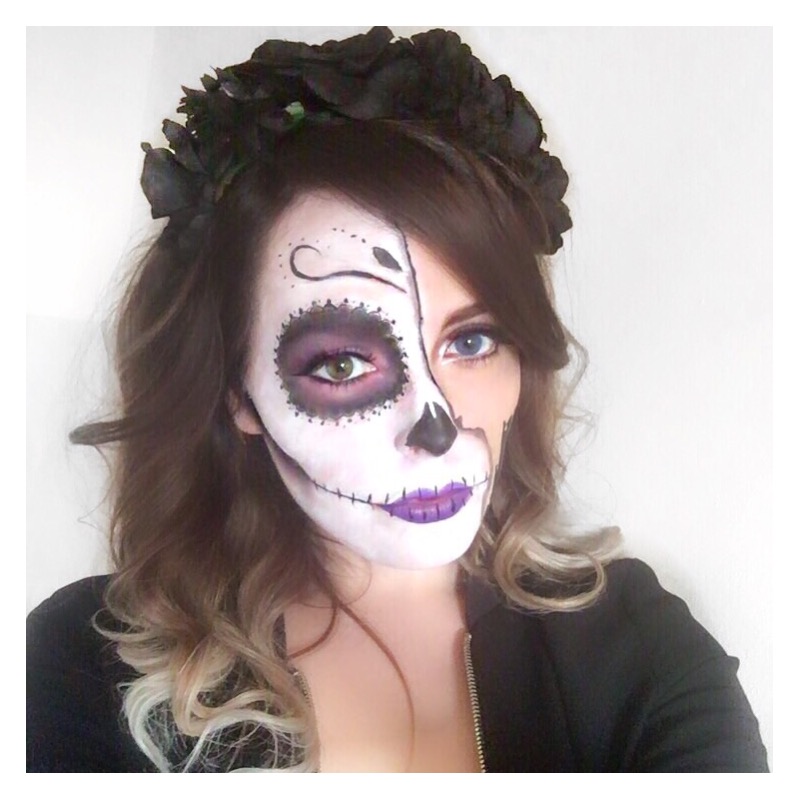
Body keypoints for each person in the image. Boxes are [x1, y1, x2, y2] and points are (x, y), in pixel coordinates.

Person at [26, 27, 768, 772]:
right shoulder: (81, 666)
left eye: (471, 341)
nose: (437, 427)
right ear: (236, 394)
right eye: (343, 362)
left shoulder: (635, 646)